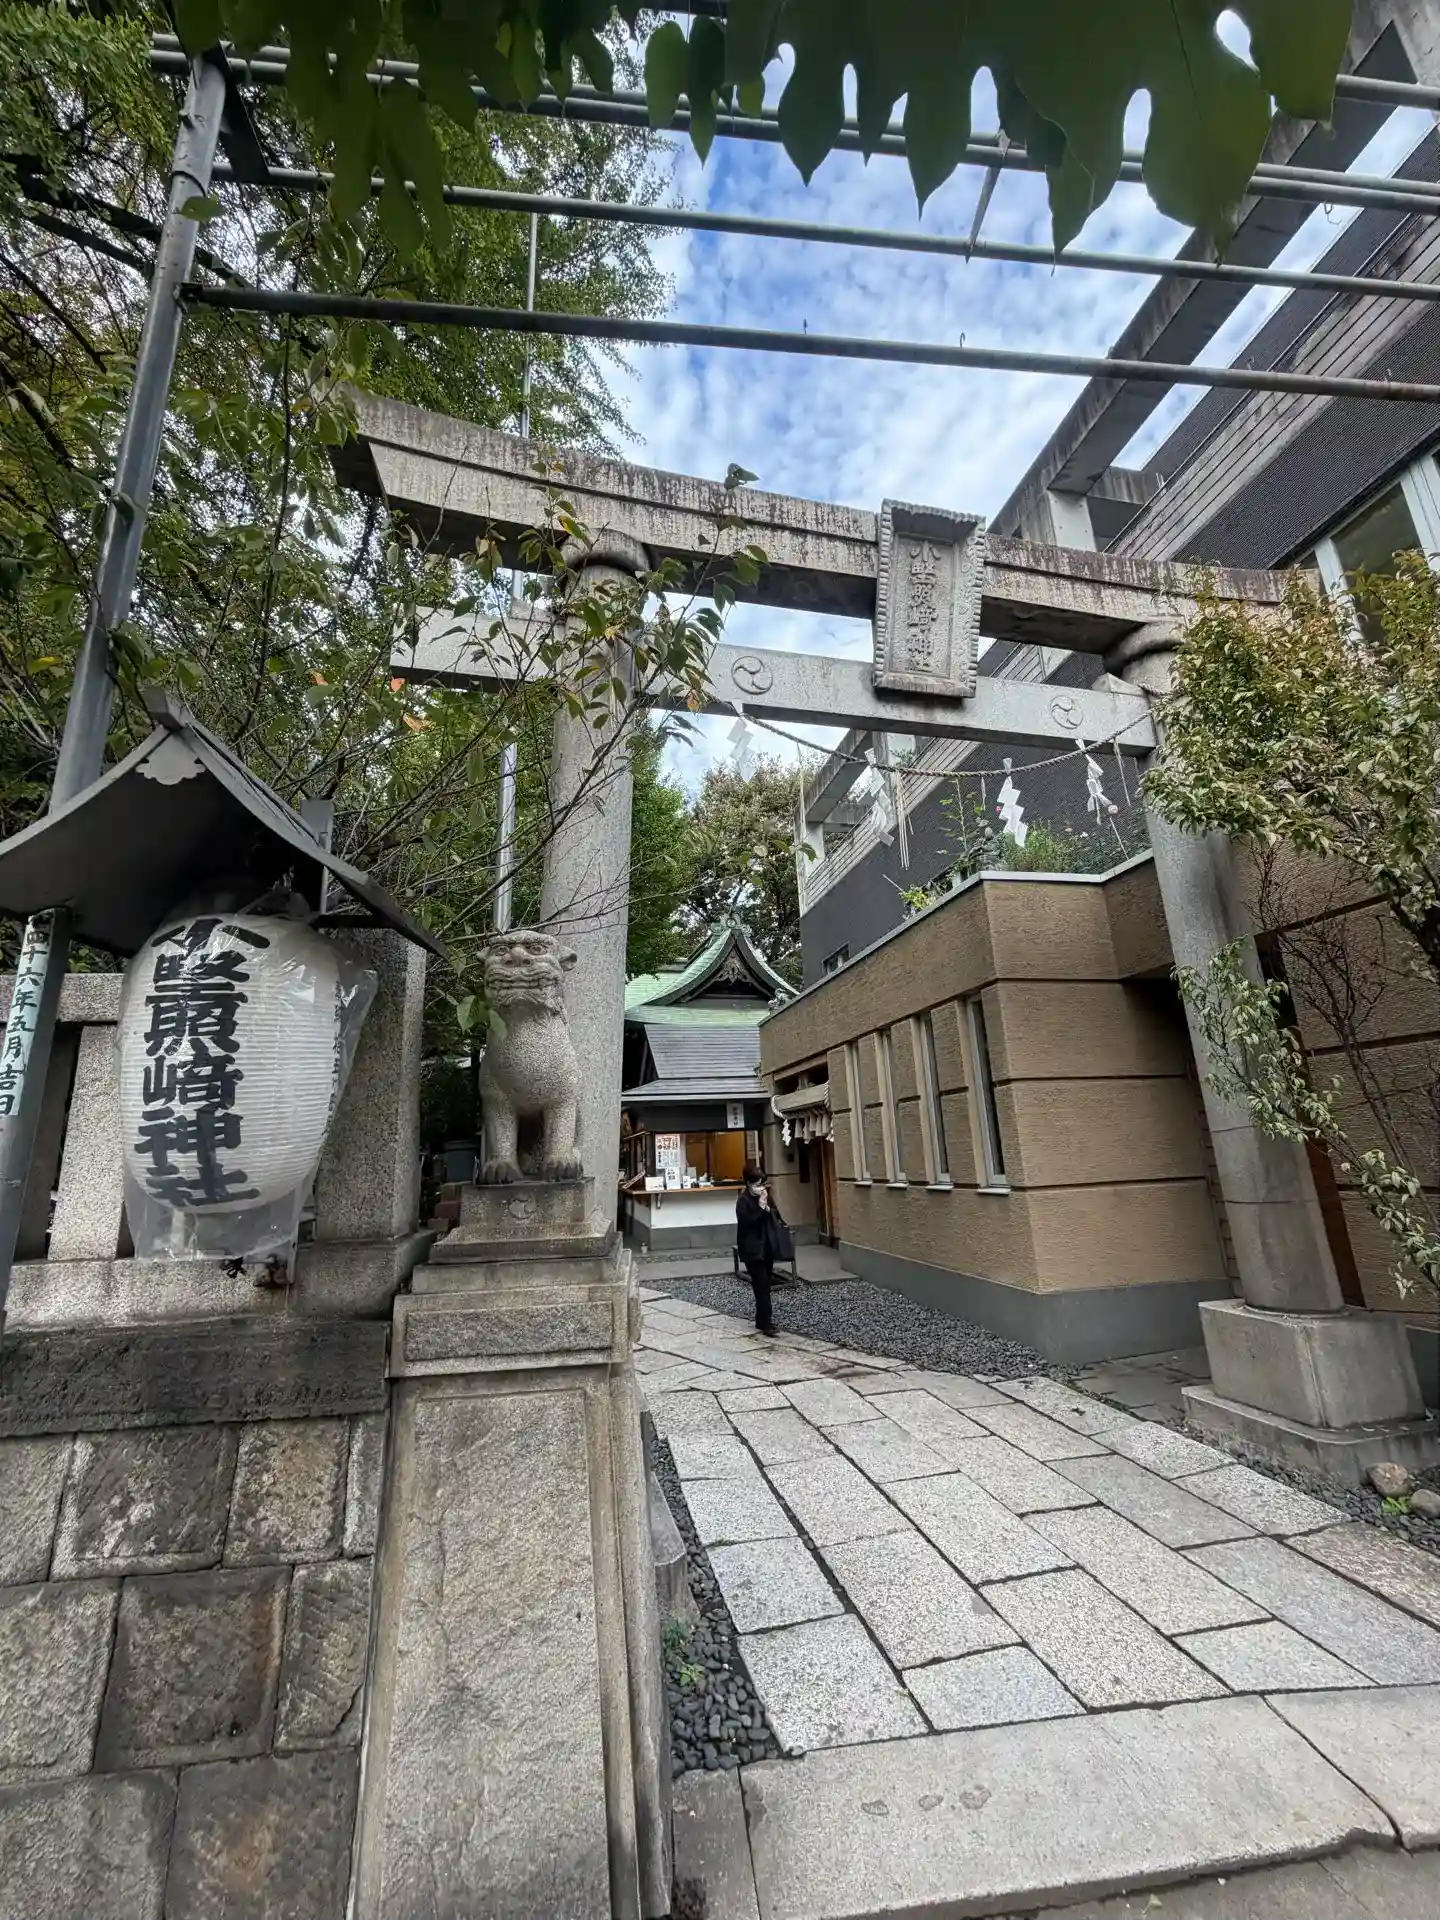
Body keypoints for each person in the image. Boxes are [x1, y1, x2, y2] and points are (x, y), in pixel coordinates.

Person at [736, 1161, 790, 1337]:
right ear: (749, 1184)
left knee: (765, 1284)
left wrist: (767, 1208)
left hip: (767, 1246)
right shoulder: (743, 1201)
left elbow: (776, 1217)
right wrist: (759, 1209)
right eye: (757, 1184)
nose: (761, 1188)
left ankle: (761, 1319)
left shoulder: (767, 1197)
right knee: (761, 1284)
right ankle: (766, 1322)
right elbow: (746, 1223)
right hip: (752, 1250)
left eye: (762, 1183)